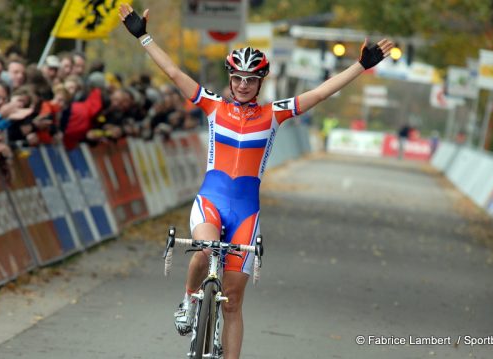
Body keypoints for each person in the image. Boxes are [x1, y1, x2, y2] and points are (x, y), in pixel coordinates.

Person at [119, 4, 393, 358]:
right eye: (237, 78)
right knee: (204, 249)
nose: (243, 85)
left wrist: (360, 66)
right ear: (230, 79)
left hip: (247, 213)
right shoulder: (213, 106)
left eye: (251, 79)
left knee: (232, 304)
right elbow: (173, 72)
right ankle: (188, 301)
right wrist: (143, 36)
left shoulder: (274, 114)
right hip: (211, 201)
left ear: (260, 82)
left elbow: (322, 92)